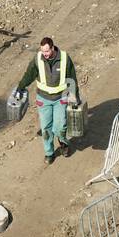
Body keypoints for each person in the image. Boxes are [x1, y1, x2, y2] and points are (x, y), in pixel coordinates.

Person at [14, 37, 80, 166]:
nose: (45, 54)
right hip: (43, 99)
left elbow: (72, 79)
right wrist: (21, 87)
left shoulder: (65, 59)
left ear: (53, 47)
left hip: (60, 98)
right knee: (46, 128)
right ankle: (49, 153)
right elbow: (29, 74)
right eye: (43, 51)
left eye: (47, 51)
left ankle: (63, 143)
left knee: (61, 126)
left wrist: (74, 98)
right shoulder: (38, 59)